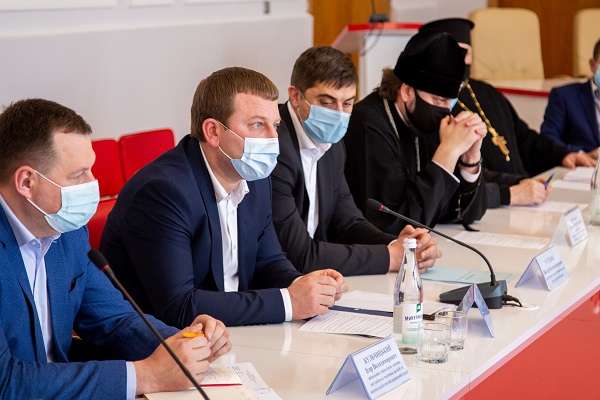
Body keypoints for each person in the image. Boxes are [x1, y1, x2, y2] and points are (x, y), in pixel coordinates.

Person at [0, 99, 230, 399]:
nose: (93, 183)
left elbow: (114, 320)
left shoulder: (67, 233)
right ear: (26, 182)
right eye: (79, 174)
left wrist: (186, 342)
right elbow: (6, 382)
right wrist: (145, 376)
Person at [101, 67, 346, 328]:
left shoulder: (255, 178)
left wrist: (305, 286)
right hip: (164, 340)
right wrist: (290, 302)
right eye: (257, 125)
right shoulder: (163, 192)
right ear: (213, 132)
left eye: (275, 126)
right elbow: (179, 307)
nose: (274, 139)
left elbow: (268, 261)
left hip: (228, 332)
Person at [271, 46, 441, 276]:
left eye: (348, 103)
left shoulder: (332, 144)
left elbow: (348, 223)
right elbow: (300, 255)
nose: (338, 114)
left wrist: (402, 245)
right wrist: (391, 257)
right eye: (327, 102)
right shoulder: (274, 147)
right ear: (295, 96)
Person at [419, 18, 596, 208]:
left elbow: (526, 139)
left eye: (466, 53)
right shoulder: (433, 106)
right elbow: (455, 179)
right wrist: (511, 191)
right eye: (454, 53)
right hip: (487, 206)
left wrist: (564, 154)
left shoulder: (488, 93)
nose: (462, 60)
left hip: (525, 197)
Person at [344, 30, 488, 235]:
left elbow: (468, 214)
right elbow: (396, 225)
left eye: (450, 102)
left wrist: (470, 160)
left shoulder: (429, 119)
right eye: (438, 100)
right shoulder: (368, 125)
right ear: (406, 92)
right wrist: (447, 153)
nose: (446, 110)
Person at [541, 38, 600, 155]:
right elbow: (547, 139)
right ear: (592, 65)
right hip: (581, 164)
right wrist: (581, 155)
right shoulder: (564, 96)